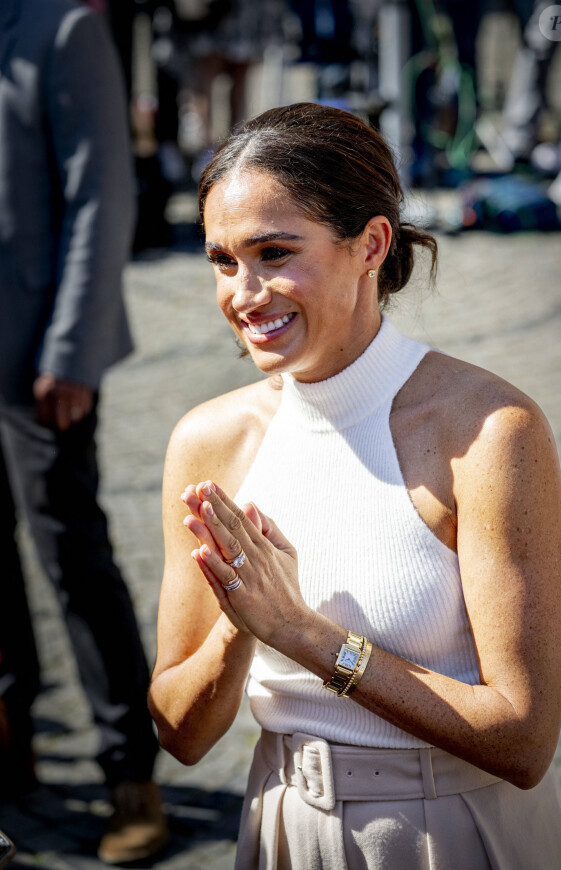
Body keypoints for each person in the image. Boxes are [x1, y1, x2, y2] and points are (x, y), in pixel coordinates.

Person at [148, 102, 561, 868]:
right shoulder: (210, 440)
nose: (244, 293)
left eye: (274, 252)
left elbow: (523, 738)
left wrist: (304, 635)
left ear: (371, 243)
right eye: (222, 260)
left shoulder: (487, 430)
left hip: (454, 833)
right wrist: (238, 626)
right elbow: (180, 735)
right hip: (281, 826)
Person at [0, 0, 167, 863]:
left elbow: (102, 190)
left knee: (71, 554)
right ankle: (11, 737)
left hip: (38, 357)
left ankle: (130, 773)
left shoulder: (61, 27)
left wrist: (73, 348)